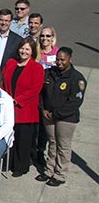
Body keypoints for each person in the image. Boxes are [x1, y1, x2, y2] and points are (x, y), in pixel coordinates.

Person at [37, 47, 86, 186]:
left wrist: (56, 114)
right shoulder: (49, 73)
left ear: (70, 59)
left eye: (62, 60)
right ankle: (49, 170)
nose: (59, 62)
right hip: (48, 115)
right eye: (57, 59)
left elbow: (75, 102)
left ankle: (60, 174)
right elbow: (41, 94)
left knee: (63, 146)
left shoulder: (77, 79)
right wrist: (43, 109)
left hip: (66, 118)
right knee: (52, 143)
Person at [2, 38, 44, 177]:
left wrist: (17, 100)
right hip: (9, 107)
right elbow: (3, 82)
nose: (23, 51)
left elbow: (35, 89)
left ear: (32, 52)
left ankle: (21, 166)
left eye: (27, 49)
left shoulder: (36, 68)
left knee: (23, 140)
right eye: (22, 48)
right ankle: (9, 162)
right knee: (9, 137)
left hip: (25, 110)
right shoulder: (11, 63)